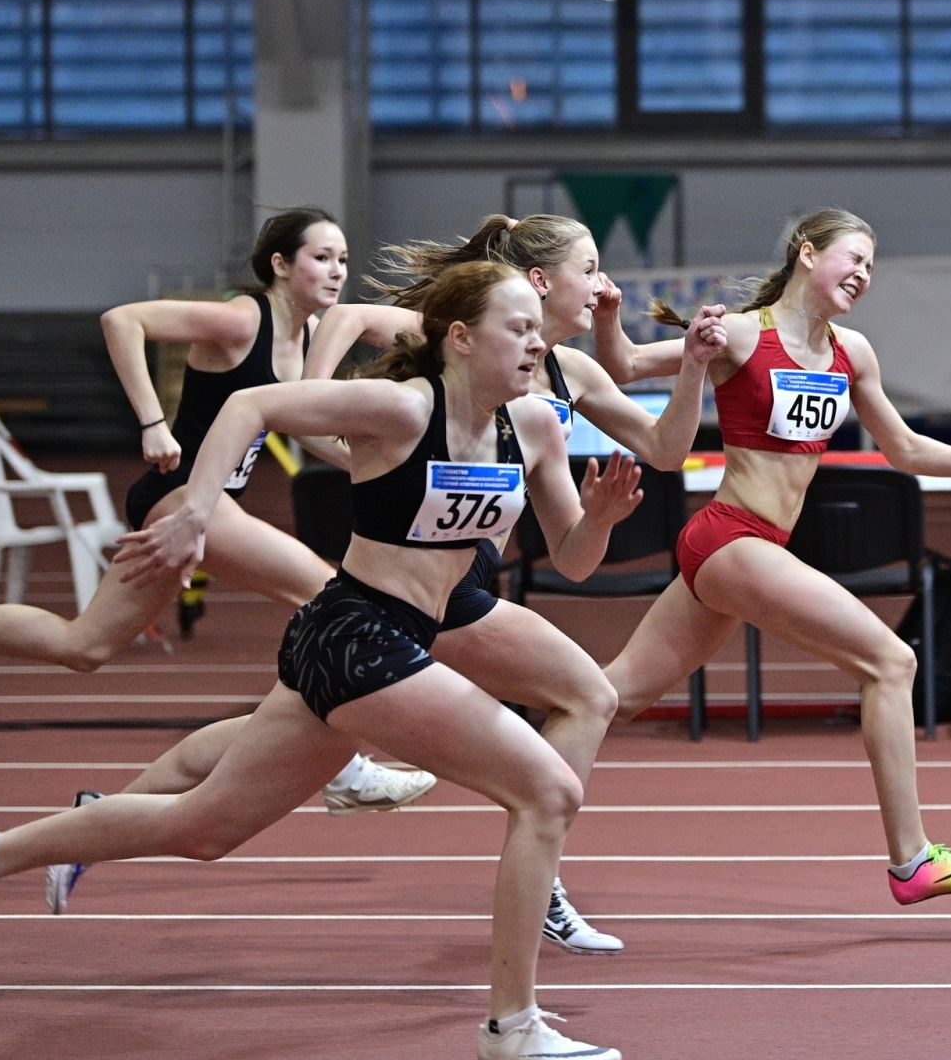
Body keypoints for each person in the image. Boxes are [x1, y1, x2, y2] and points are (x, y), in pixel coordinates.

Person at [0, 260, 639, 1060]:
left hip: (376, 644)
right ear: (460, 339)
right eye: (518, 328)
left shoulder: (533, 426)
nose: (536, 344)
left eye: (537, 329)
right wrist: (197, 513)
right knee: (548, 789)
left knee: (202, 826)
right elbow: (251, 404)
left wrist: (596, 521)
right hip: (356, 637)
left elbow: (574, 557)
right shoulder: (399, 407)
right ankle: (510, 1025)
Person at [49, 214, 727, 953]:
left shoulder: (572, 375)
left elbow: (666, 450)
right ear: (538, 283)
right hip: (431, 578)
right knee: (584, 697)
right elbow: (341, 319)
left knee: (274, 744)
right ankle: (543, 877)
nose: (604, 284)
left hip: (451, 580)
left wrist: (691, 367)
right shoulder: (459, 341)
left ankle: (100, 818)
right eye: (590, 267)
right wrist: (316, 416)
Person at [0, 208, 431, 817]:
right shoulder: (239, 320)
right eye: (321, 257)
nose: (336, 271)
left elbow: (307, 423)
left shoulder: (307, 340)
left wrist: (370, 465)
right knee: (331, 594)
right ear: (282, 265)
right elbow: (121, 320)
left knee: (86, 645)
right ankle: (346, 767)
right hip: (183, 495)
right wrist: (153, 422)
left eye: (342, 259)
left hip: (202, 505)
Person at [598, 208, 951, 903]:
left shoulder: (851, 353)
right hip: (730, 536)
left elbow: (905, 450)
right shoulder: (744, 334)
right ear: (808, 253)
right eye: (852, 258)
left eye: (871, 266)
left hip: (755, 548)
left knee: (613, 695)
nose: (862, 274)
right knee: (892, 662)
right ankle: (912, 860)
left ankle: (486, 737)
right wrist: (609, 316)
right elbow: (620, 364)